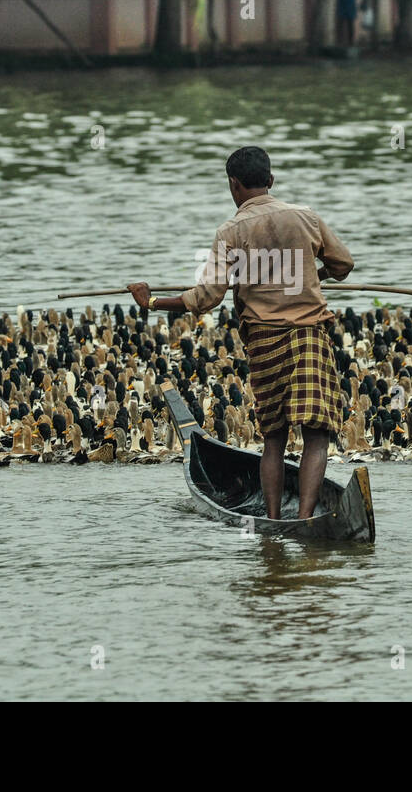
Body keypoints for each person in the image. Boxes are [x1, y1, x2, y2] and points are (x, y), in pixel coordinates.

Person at [128, 146, 354, 519]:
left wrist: (151, 302)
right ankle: (305, 519)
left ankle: (273, 520)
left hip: (264, 340)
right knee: (317, 435)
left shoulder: (230, 231)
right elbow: (343, 263)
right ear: (270, 180)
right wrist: (316, 274)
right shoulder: (306, 217)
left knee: (274, 439)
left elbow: (206, 297)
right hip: (309, 333)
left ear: (233, 185)